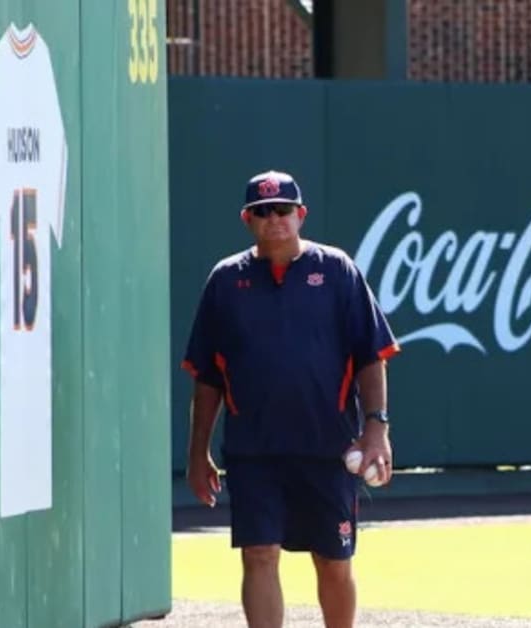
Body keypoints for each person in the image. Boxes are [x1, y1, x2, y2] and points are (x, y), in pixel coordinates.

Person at [181, 170, 400, 628]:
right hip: (253, 450)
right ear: (248, 220)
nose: (274, 219)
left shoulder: (338, 270)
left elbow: (371, 355)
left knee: (333, 561)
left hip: (328, 448)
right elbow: (207, 376)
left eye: (283, 210)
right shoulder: (225, 281)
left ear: (301, 215)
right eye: (262, 211)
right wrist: (198, 451)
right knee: (259, 555)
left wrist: (376, 428)